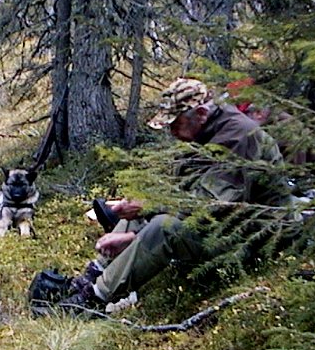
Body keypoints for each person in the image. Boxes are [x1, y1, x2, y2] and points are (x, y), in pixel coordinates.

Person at [59, 77, 294, 314]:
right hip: (229, 227)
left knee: (164, 227)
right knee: (142, 210)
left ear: (200, 113)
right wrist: (139, 209)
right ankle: (93, 276)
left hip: (257, 239)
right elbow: (180, 192)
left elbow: (210, 207)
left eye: (175, 124)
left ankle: (92, 300)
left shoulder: (239, 137)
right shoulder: (206, 133)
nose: (172, 132)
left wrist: (134, 236)